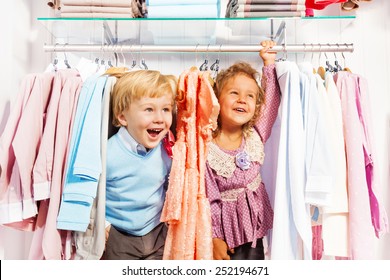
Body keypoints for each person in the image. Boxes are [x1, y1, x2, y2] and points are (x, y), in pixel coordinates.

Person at [205, 40, 281, 260]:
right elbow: (208, 198)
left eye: (250, 96)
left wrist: (269, 63)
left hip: (253, 230)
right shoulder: (208, 147)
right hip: (224, 234)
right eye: (234, 93)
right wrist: (214, 237)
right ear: (217, 99)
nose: (242, 99)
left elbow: (272, 101)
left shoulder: (255, 135)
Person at [103, 70, 177, 260]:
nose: (160, 118)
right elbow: (91, 194)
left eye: (166, 109)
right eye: (149, 109)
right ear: (123, 117)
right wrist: (103, 226)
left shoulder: (167, 148)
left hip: (157, 230)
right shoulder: (108, 153)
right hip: (119, 234)